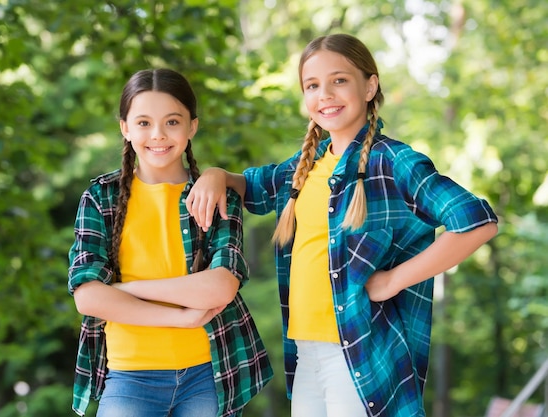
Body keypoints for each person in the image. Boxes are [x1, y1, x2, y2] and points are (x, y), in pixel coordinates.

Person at [186, 34, 498, 417]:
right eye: (312, 86)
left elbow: (476, 222)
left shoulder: (393, 161)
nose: (325, 95)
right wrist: (216, 174)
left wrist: (392, 280)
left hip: (359, 353)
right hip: (305, 351)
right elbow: (251, 186)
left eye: (339, 81)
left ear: (370, 85)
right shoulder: (307, 165)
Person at [67, 68, 272, 417]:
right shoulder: (101, 199)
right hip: (130, 376)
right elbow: (87, 297)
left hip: (208, 375)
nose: (158, 135)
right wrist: (181, 319)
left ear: (192, 126)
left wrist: (125, 289)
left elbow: (220, 287)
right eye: (144, 122)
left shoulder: (216, 197)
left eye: (172, 122)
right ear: (125, 128)